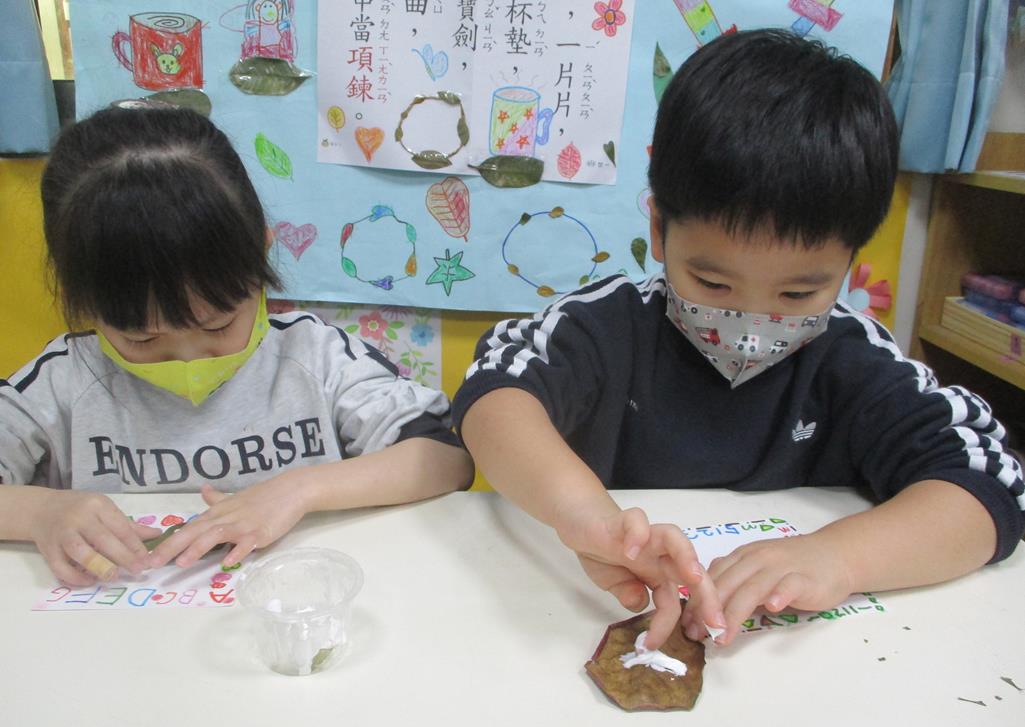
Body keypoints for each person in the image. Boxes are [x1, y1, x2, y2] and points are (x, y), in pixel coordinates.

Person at [453, 29, 1025, 650]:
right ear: (659, 229)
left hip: (801, 657)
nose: (752, 327)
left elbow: (986, 486)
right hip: (587, 623)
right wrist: (586, 516)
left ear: (850, 260)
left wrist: (841, 558)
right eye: (713, 283)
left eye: (797, 294)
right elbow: (495, 398)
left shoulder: (855, 358)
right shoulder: (606, 326)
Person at [0, 104, 473, 586]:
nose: (189, 357)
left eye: (219, 325)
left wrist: (298, 491)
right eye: (142, 338)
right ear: (83, 298)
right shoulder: (63, 381)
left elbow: (445, 458)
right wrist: (41, 513)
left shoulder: (315, 356)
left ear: (260, 253)